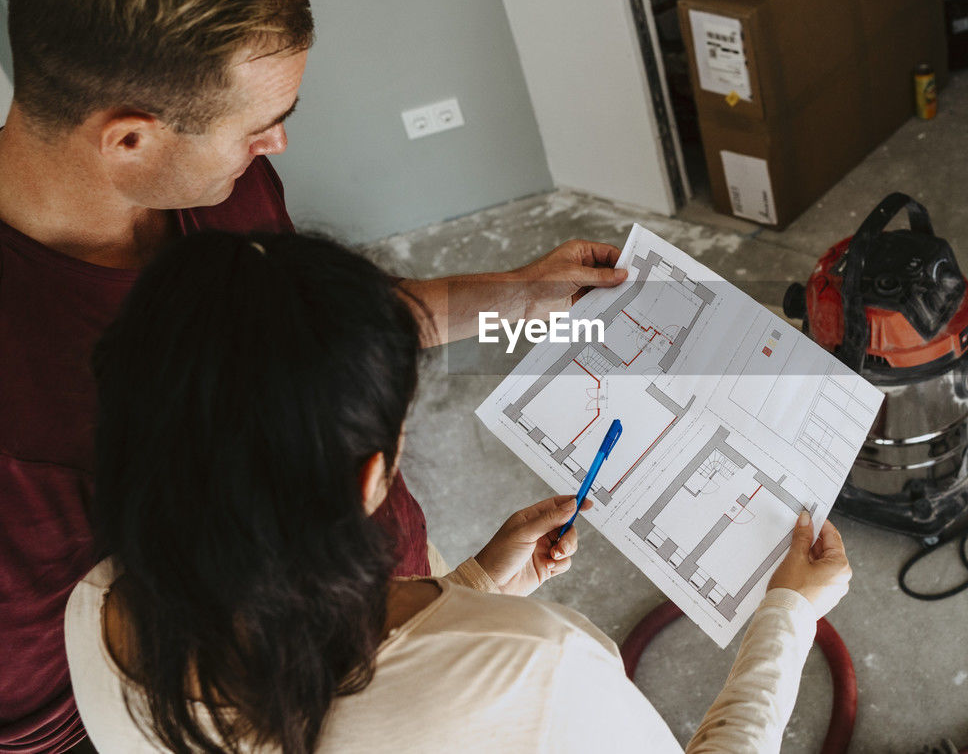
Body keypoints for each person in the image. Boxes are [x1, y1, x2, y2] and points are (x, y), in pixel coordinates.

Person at [0, 0, 624, 750]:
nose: (280, 142)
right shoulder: (18, 419)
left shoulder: (217, 186)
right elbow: (50, 715)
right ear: (132, 140)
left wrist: (510, 294)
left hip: (385, 588)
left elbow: (310, 342)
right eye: (257, 127)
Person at [64, 230, 854, 753]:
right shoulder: (536, 668)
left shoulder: (99, 611)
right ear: (373, 476)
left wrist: (466, 586)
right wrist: (786, 616)